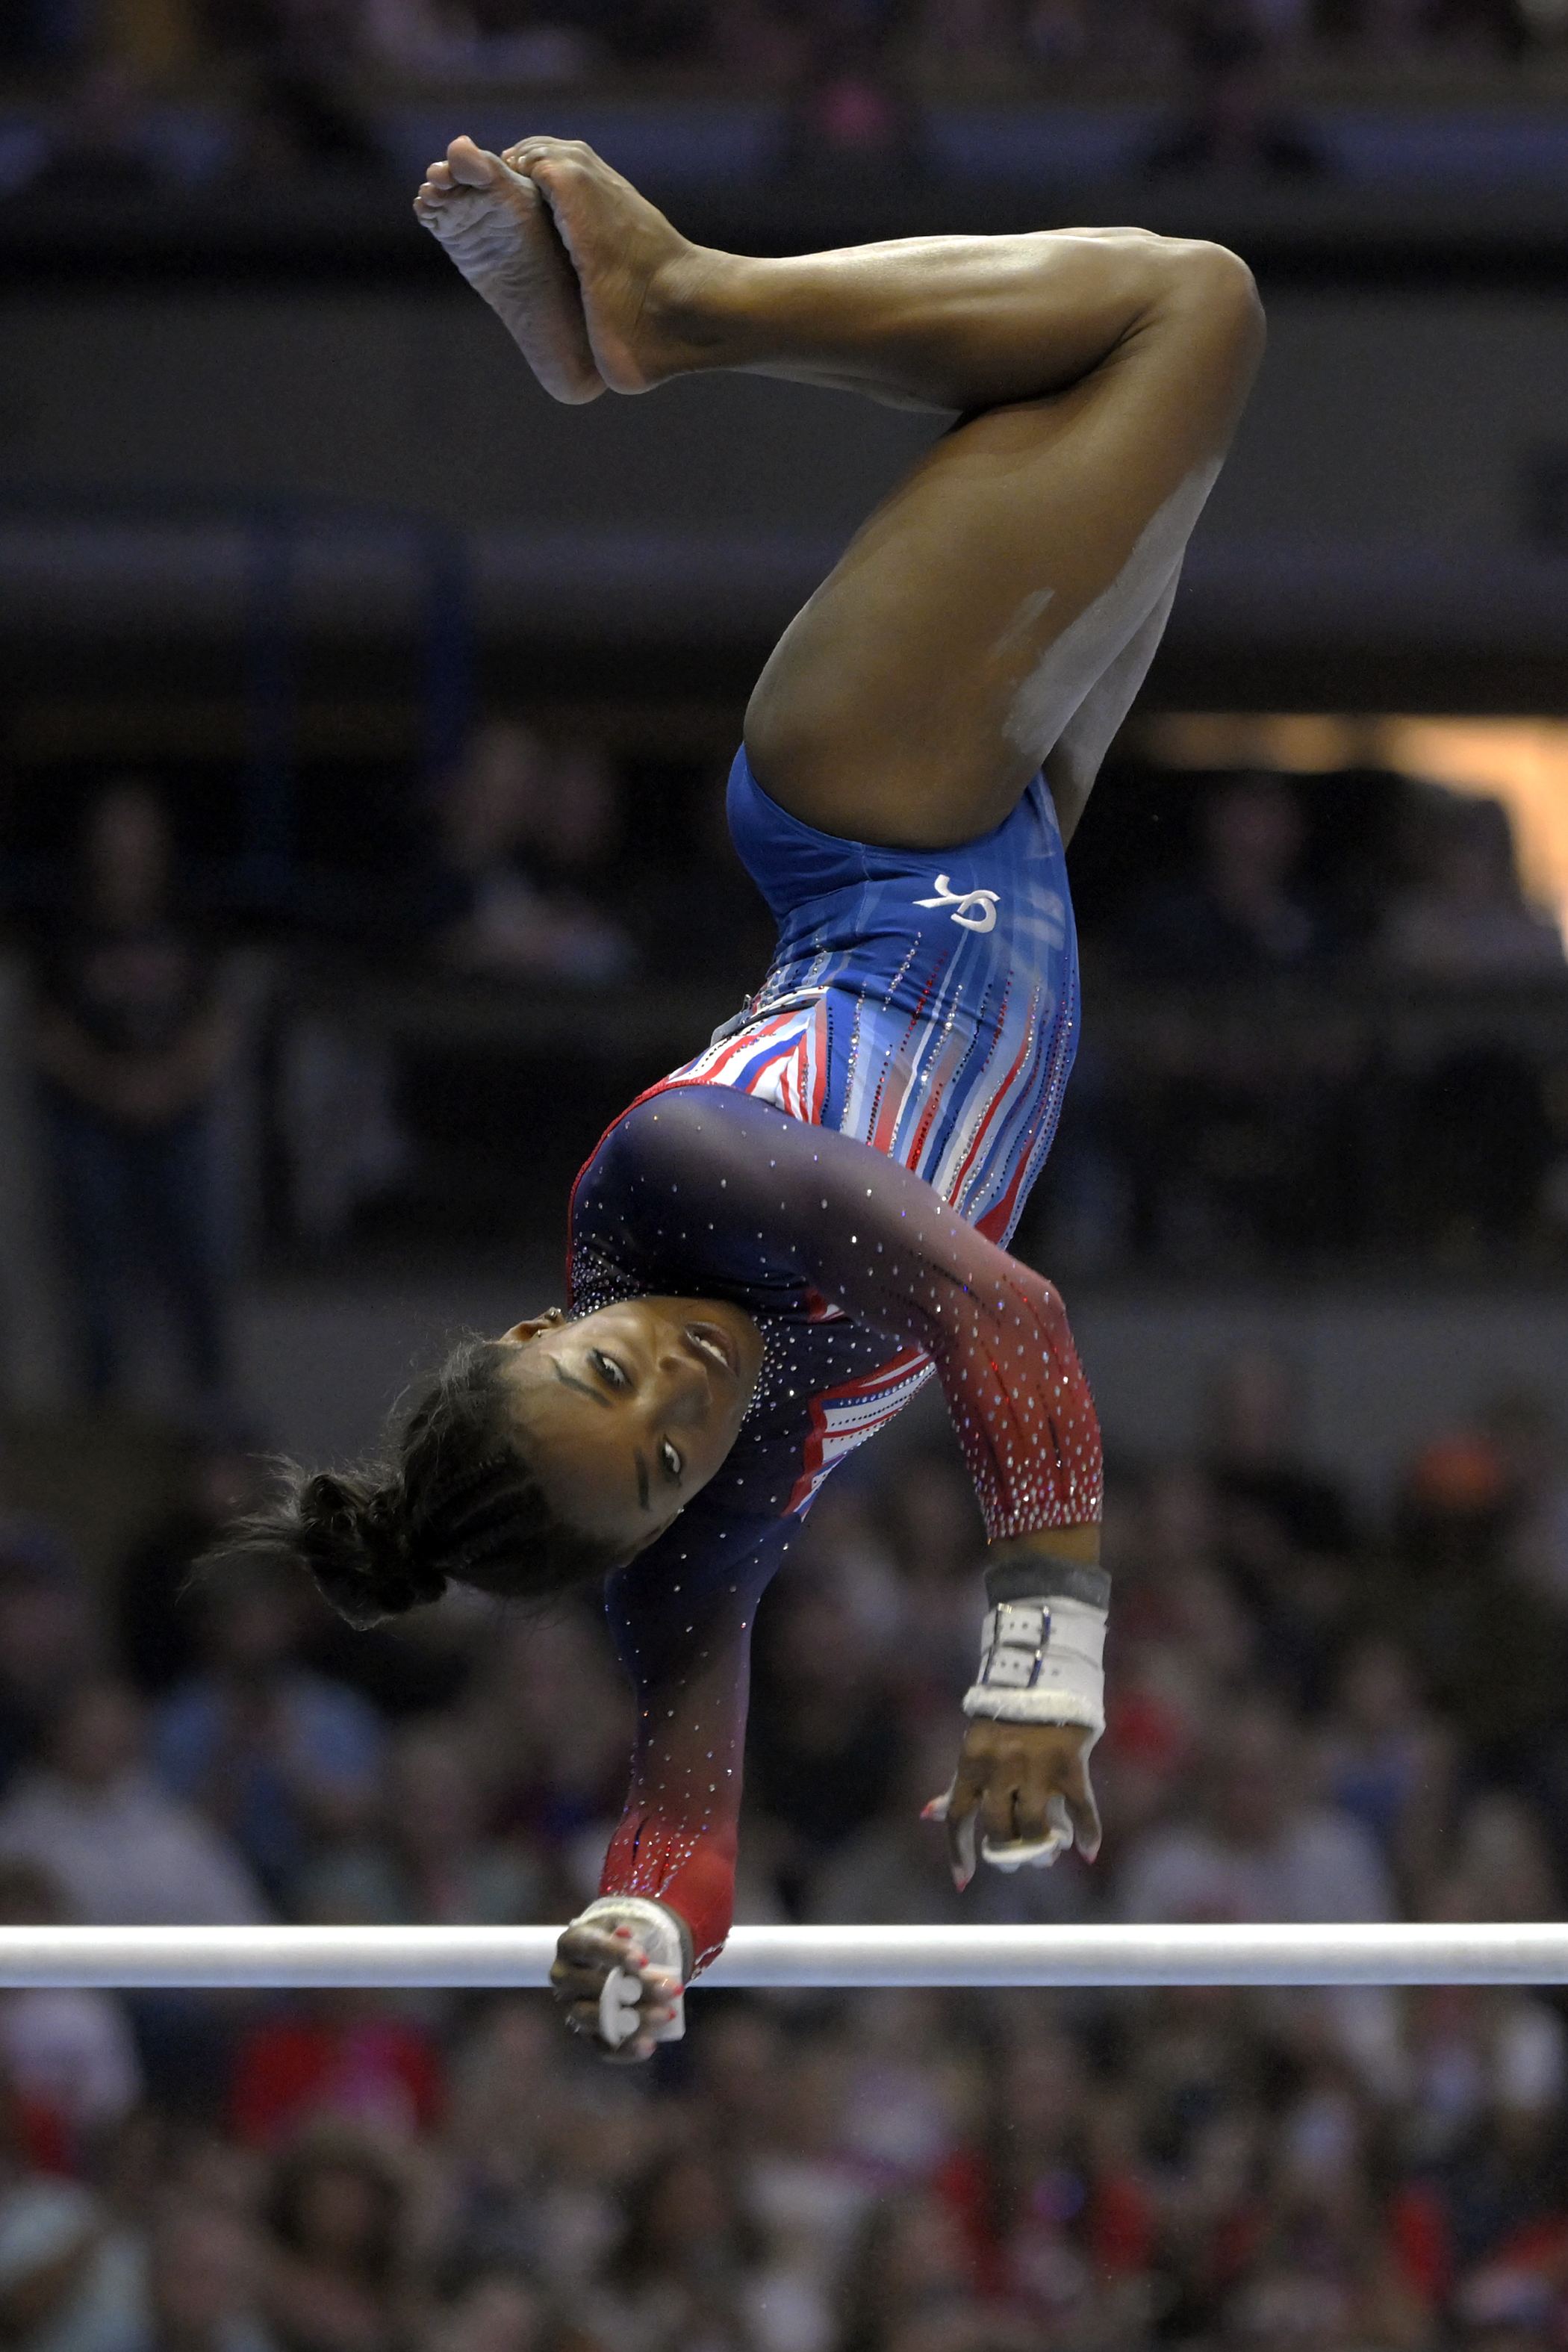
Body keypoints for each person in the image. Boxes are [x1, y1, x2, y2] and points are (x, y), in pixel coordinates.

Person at [223, 132, 1263, 2056]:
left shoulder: (677, 1174)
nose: (686, 1407)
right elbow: (685, 1814)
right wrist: (641, 1926)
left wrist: (1042, 1666)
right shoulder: (708, 1528)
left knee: (1184, 307)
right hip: (1023, 837)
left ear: (562, 1316)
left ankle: (679, 305)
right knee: (1105, 355)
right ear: (663, 1528)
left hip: (878, 806)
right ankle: (654, 316)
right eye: (666, 1467)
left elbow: (999, 1313)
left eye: (610, 1378)